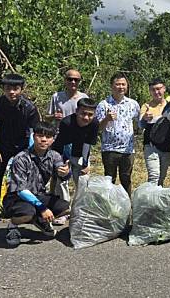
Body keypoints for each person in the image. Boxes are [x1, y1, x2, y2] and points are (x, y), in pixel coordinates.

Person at [2, 122, 71, 247]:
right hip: (17, 197)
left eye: (48, 137)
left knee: (65, 208)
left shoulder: (54, 156)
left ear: (53, 139)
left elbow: (61, 172)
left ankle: (39, 220)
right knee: (28, 212)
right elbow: (20, 190)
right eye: (40, 136)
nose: (44, 140)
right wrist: (43, 208)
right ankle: (12, 226)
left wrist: (65, 173)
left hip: (38, 194)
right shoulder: (21, 158)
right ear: (33, 136)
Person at [0, 73, 39, 215]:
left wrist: (30, 152)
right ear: (3, 89)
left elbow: (33, 132)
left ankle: (22, 206)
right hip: (3, 145)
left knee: (23, 176)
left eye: (15, 88)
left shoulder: (29, 108)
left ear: (21, 89)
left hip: (23, 145)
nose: (12, 92)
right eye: (8, 88)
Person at [46, 69, 89, 209]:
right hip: (60, 139)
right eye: (70, 79)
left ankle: (80, 209)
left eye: (76, 79)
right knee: (60, 174)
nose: (73, 82)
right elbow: (47, 117)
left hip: (78, 141)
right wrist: (54, 117)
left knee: (80, 175)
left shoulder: (83, 98)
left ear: (80, 81)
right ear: (65, 80)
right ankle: (61, 207)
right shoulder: (56, 97)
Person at [50, 97, 99, 213]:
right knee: (62, 179)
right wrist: (65, 165)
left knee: (83, 180)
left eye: (90, 114)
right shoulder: (67, 122)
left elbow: (88, 144)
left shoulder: (94, 124)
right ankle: (63, 208)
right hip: (62, 152)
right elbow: (65, 146)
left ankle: (80, 210)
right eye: (83, 113)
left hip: (80, 153)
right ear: (77, 111)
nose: (86, 117)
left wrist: (86, 164)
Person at [95, 72, 140, 195]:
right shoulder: (103, 104)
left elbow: (137, 124)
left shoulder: (133, 104)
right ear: (111, 86)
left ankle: (126, 206)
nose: (121, 87)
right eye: (117, 84)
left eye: (123, 84)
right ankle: (109, 206)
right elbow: (98, 128)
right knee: (109, 180)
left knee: (126, 179)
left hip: (128, 150)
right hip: (109, 149)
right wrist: (107, 119)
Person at [139, 78, 170, 186]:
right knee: (154, 176)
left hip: (166, 146)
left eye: (158, 89)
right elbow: (140, 125)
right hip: (151, 146)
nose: (156, 92)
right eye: (153, 90)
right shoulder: (146, 106)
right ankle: (149, 200)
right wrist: (144, 118)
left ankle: (157, 200)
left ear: (164, 89)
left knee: (162, 177)